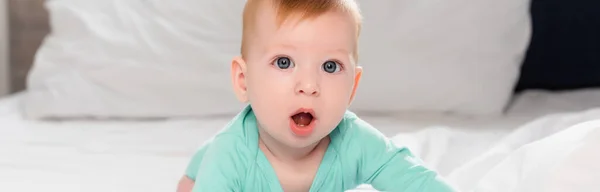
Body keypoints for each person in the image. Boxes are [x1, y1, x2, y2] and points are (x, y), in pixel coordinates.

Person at [177, 0, 458, 191]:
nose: (309, 85)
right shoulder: (228, 157)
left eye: (330, 66)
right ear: (244, 80)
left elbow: (417, 181)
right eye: (284, 62)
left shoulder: (355, 142)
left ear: (353, 87)